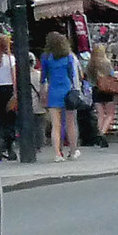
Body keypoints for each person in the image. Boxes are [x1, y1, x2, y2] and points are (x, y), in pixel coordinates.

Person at [40, 29, 80, 160]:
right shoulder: (68, 56)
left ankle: (57, 153)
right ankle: (73, 151)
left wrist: (43, 93)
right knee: (70, 123)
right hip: (67, 90)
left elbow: (43, 77)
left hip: (53, 91)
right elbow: (72, 75)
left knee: (56, 126)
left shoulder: (46, 58)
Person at [88, 39, 118, 143]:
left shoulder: (90, 64)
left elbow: (88, 78)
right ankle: (102, 133)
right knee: (110, 113)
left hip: (96, 89)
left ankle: (97, 133)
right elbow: (112, 75)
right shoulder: (106, 63)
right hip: (108, 89)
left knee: (100, 114)